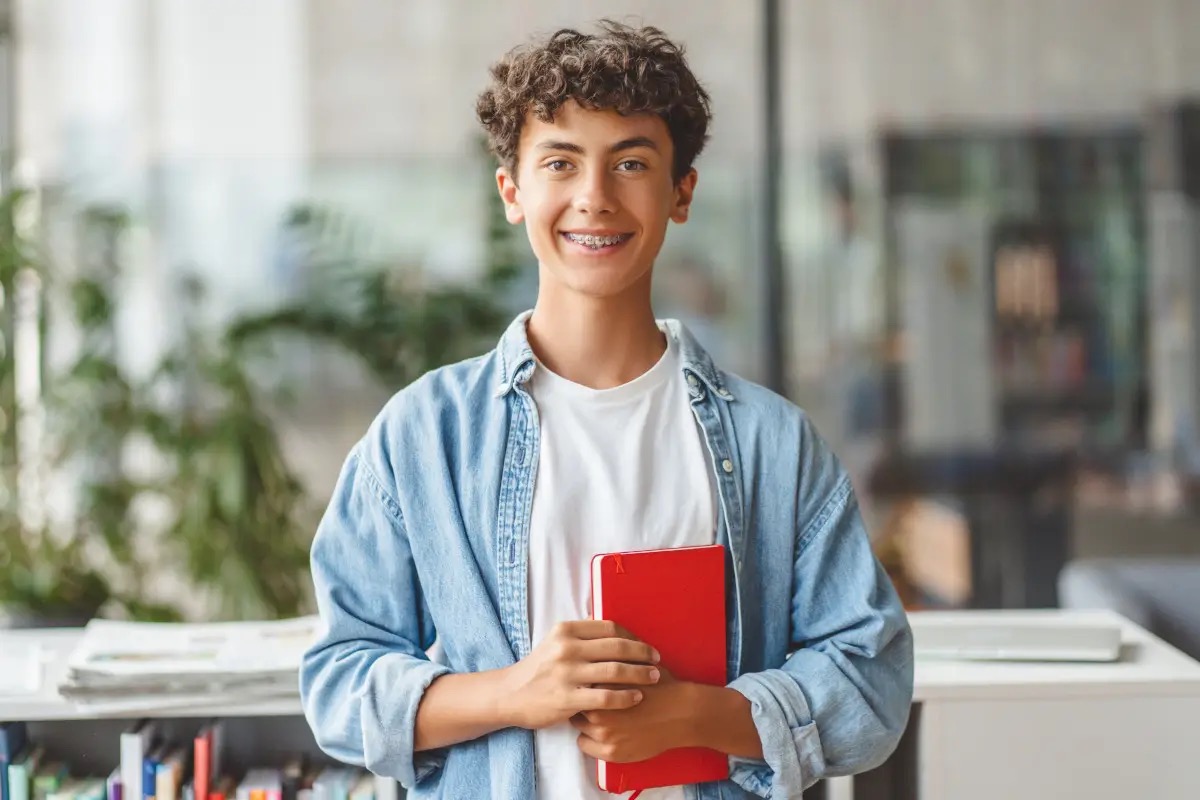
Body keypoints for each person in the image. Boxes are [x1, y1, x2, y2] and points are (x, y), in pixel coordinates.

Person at [300, 20, 913, 800]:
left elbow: (872, 685)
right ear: (512, 192)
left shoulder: (773, 445)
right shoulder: (423, 436)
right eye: (561, 162)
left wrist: (701, 716)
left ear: (680, 192)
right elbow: (338, 685)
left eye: (631, 163)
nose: (594, 197)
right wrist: (515, 692)